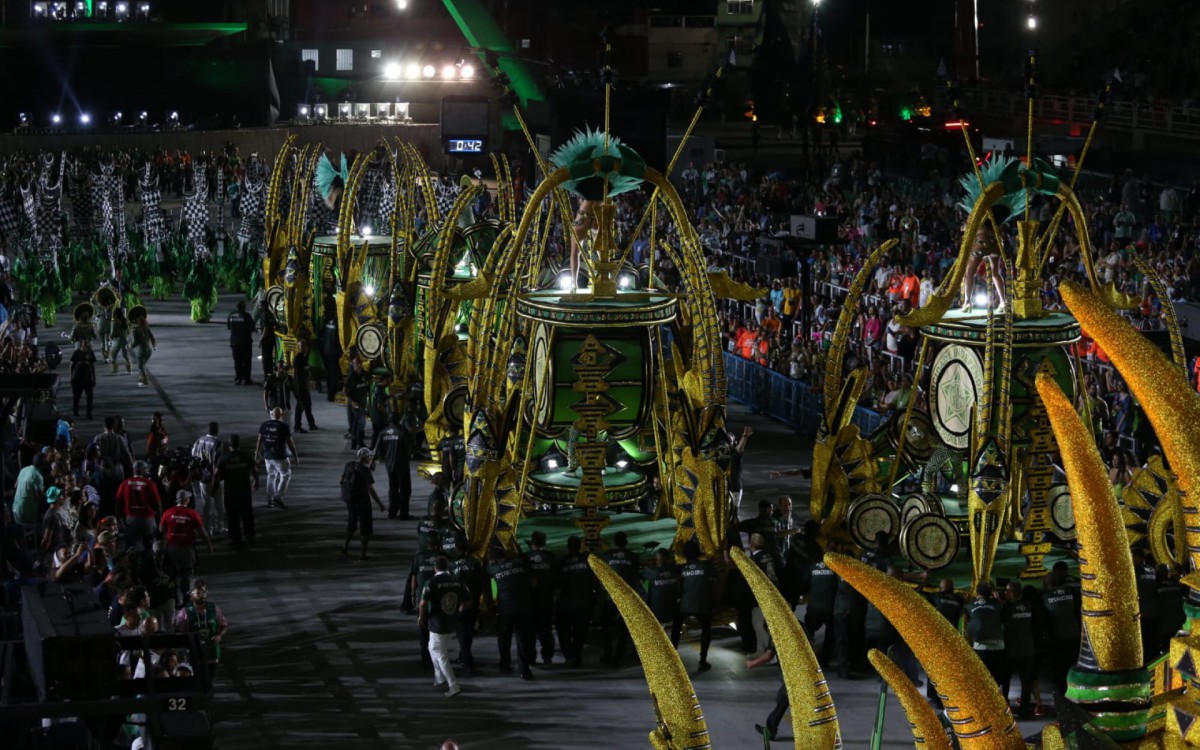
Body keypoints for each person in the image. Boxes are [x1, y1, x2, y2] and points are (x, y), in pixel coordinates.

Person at [420, 555, 470, 698]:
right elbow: (469, 600)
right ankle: (439, 676)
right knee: (433, 648)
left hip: (437, 623)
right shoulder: (457, 580)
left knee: (440, 654)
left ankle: (453, 685)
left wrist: (420, 616)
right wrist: (459, 610)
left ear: (435, 568)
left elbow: (423, 603)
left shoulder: (431, 582)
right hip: (451, 621)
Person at [487, 546, 536, 680]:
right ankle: (524, 670)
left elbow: (485, 570)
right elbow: (525, 560)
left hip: (506, 609)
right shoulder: (519, 563)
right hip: (524, 608)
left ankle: (505, 665)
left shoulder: (493, 569)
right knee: (522, 639)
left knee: (504, 638)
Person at [160, 489, 212, 599]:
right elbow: (201, 532)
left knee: (171, 573)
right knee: (186, 574)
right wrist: (208, 545)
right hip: (187, 549)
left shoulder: (168, 512)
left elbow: (161, 529)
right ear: (186, 500)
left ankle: (173, 596)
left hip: (172, 547)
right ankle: (186, 597)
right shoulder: (192, 514)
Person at [672, 538, 715, 671]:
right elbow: (714, 583)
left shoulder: (680, 569)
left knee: (675, 629)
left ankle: (672, 659)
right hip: (702, 605)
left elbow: (676, 588)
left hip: (684, 605)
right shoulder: (706, 566)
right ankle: (702, 661)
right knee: (706, 631)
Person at [600, 531, 641, 667]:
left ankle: (607, 655)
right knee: (624, 629)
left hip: (610, 598)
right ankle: (618, 657)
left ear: (614, 542)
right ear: (626, 542)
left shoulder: (606, 556)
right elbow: (636, 577)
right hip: (627, 598)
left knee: (607, 628)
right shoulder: (633, 557)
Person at [1043, 560, 1081, 699]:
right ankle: (1077, 694)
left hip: (1058, 639)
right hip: (1074, 635)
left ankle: (1063, 697)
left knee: (1059, 671)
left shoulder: (1045, 597)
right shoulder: (1070, 592)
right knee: (1074, 666)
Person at [213, 435, 259, 549]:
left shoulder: (224, 458)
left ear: (229, 445)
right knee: (247, 514)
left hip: (230, 492)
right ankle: (250, 535)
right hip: (245, 491)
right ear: (239, 444)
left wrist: (214, 487)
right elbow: (255, 470)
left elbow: (216, 475)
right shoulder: (246, 456)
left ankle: (236, 539)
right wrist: (256, 482)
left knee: (232, 516)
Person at [1002, 581, 1039, 718]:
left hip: (1011, 651)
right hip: (1027, 651)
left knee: (1006, 681)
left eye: (1006, 591)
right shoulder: (1029, 607)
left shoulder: (1006, 609)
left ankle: (1005, 709)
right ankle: (1024, 710)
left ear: (1012, 593)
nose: (1004, 593)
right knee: (1026, 682)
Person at [341, 448, 385, 560]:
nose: (371, 458)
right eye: (370, 457)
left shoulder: (349, 465)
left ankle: (345, 547)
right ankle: (363, 554)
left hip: (351, 501)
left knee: (351, 525)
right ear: (366, 458)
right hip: (363, 503)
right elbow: (371, 489)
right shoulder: (365, 471)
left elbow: (341, 480)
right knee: (365, 529)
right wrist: (380, 504)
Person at [173, 579, 228, 668]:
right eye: (198, 593)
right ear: (191, 595)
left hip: (211, 653)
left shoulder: (214, 609)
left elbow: (224, 625)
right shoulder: (184, 613)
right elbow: (179, 633)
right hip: (193, 654)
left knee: (209, 678)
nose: (202, 595)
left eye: (204, 592)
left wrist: (219, 635)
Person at [557, 535, 593, 668]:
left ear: (568, 547)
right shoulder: (587, 560)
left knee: (564, 632)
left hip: (566, 604)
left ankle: (569, 656)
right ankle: (576, 656)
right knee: (580, 633)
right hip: (583, 603)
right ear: (579, 546)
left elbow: (557, 582)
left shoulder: (562, 562)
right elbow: (593, 581)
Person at [450, 536, 484, 674]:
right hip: (472, 602)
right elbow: (481, 583)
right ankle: (463, 656)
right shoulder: (475, 563)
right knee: (467, 631)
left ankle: (467, 661)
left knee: (462, 632)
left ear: (456, 549)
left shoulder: (452, 565)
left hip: (458, 604)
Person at [407, 533, 442, 668]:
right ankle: (436, 657)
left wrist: (412, 595)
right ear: (437, 545)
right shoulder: (441, 557)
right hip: (437, 600)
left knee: (422, 627)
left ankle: (425, 656)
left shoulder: (418, 557)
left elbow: (414, 577)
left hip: (422, 598)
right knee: (436, 629)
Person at [256, 406, 298, 509]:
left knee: (271, 476)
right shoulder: (283, 426)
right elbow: (290, 443)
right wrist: (295, 456)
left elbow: (259, 440)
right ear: (281, 415)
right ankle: (278, 498)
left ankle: (270, 499)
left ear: (272, 414)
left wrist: (257, 452)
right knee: (285, 475)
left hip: (268, 456)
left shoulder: (264, 425)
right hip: (280, 456)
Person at [117, 460, 163, 554]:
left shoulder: (125, 483)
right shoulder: (150, 484)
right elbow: (158, 504)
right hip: (147, 519)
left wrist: (120, 518)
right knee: (149, 546)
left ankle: (134, 566)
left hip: (130, 519)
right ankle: (148, 565)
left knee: (131, 547)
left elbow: (118, 503)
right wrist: (159, 520)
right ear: (142, 470)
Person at [372, 413, 412, 519]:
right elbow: (410, 447)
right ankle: (404, 513)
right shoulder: (402, 431)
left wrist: (371, 462)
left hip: (389, 465)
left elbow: (376, 449)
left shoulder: (383, 433)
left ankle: (392, 512)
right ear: (398, 419)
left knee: (393, 488)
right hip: (402, 465)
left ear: (388, 420)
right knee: (405, 489)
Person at [965, 581, 1005, 687]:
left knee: (982, 680)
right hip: (998, 647)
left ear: (977, 593)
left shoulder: (969, 606)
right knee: (997, 680)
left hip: (980, 647)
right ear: (991, 593)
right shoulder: (997, 604)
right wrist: (997, 597)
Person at [526, 531, 557, 665]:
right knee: (546, 630)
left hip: (530, 601)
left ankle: (531, 658)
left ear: (532, 543)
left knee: (530, 632)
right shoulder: (551, 557)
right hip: (547, 600)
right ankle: (547, 657)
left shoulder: (525, 558)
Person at [191, 422, 223, 532]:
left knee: (205, 503)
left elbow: (193, 456)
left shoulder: (199, 440)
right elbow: (217, 463)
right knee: (218, 502)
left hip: (203, 477)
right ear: (216, 430)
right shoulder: (217, 443)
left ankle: (207, 527)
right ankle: (218, 527)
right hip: (213, 477)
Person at [227, 299, 255, 385]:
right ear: (243, 307)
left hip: (234, 342)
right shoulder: (246, 316)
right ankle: (246, 378)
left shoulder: (231, 315)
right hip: (245, 342)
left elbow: (229, 327)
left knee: (237, 361)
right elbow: (252, 328)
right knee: (246, 361)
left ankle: (238, 378)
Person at [291, 341, 318, 433]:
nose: (303, 348)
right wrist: (296, 388)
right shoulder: (297, 359)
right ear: (298, 347)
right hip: (300, 387)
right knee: (300, 406)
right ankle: (297, 426)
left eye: (304, 346)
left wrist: (311, 380)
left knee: (307, 406)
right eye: (301, 346)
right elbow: (294, 374)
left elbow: (308, 370)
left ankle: (311, 424)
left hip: (305, 387)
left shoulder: (305, 357)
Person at [70, 337, 97, 419]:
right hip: (78, 378)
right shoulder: (76, 353)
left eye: (86, 344)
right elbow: (72, 365)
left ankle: (89, 413)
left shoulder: (90, 353)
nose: (85, 345)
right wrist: (71, 377)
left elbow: (93, 366)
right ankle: (75, 412)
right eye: (84, 344)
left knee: (90, 397)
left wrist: (94, 378)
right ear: (81, 344)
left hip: (88, 378)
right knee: (76, 397)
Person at [131, 314, 156, 387]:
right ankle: (141, 379)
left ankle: (145, 381)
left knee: (140, 366)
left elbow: (135, 342)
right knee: (142, 365)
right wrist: (154, 346)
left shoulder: (135, 330)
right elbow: (152, 338)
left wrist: (130, 346)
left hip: (140, 351)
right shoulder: (147, 328)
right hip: (149, 350)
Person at [109, 307, 131, 375]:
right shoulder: (125, 321)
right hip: (125, 340)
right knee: (125, 355)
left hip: (117, 340)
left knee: (113, 355)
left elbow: (112, 333)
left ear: (115, 314)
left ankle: (115, 369)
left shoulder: (114, 322)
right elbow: (128, 331)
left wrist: (110, 337)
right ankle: (129, 369)